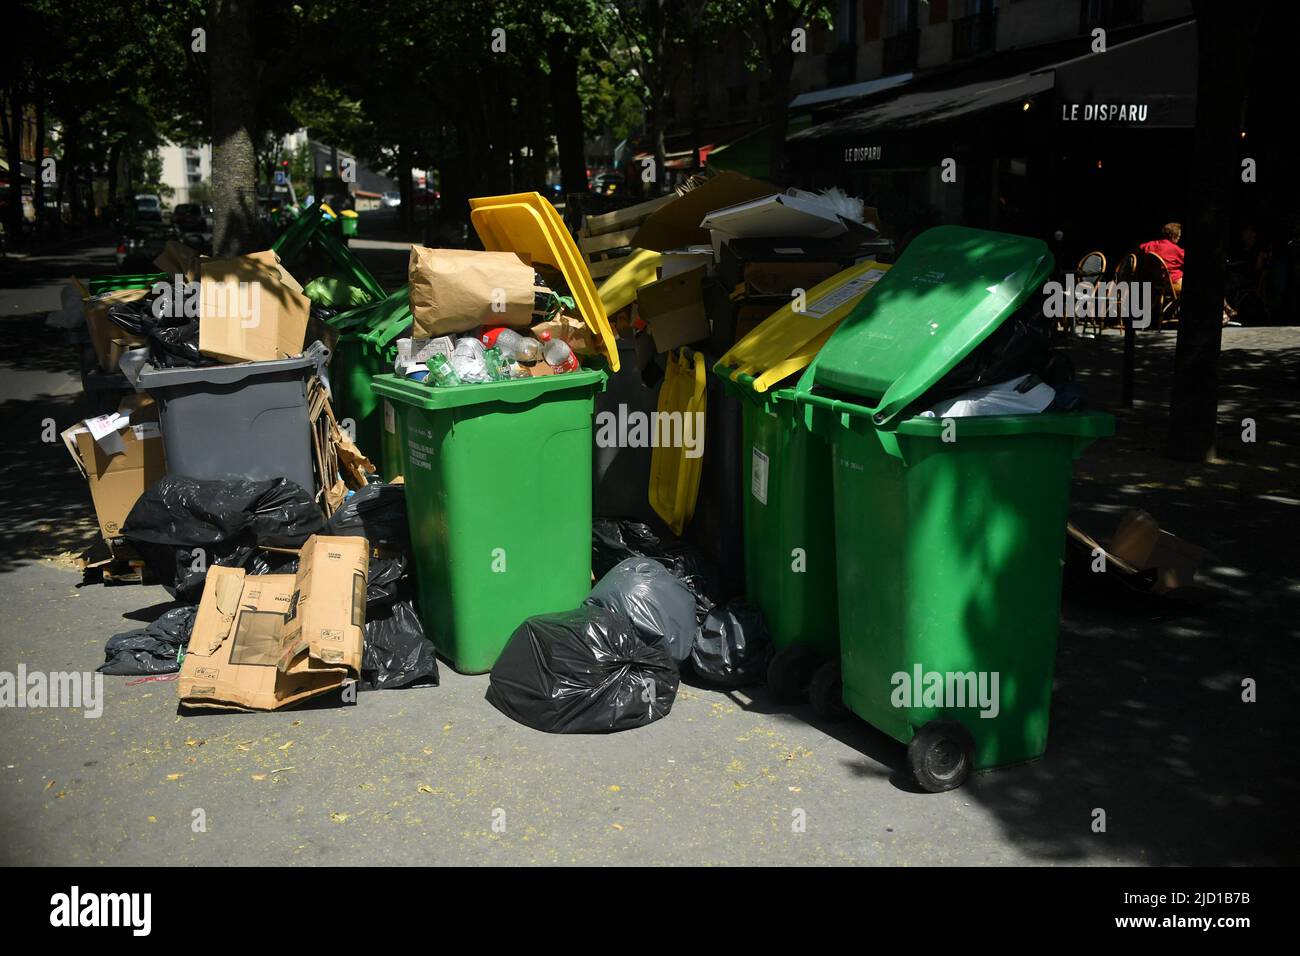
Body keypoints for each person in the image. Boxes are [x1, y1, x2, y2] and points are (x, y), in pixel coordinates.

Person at [1139, 222, 1184, 293]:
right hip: (1171, 283)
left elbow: (1139, 248)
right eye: (1179, 236)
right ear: (1173, 236)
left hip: (1153, 283)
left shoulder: (1150, 245)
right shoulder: (1175, 249)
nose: (1179, 238)